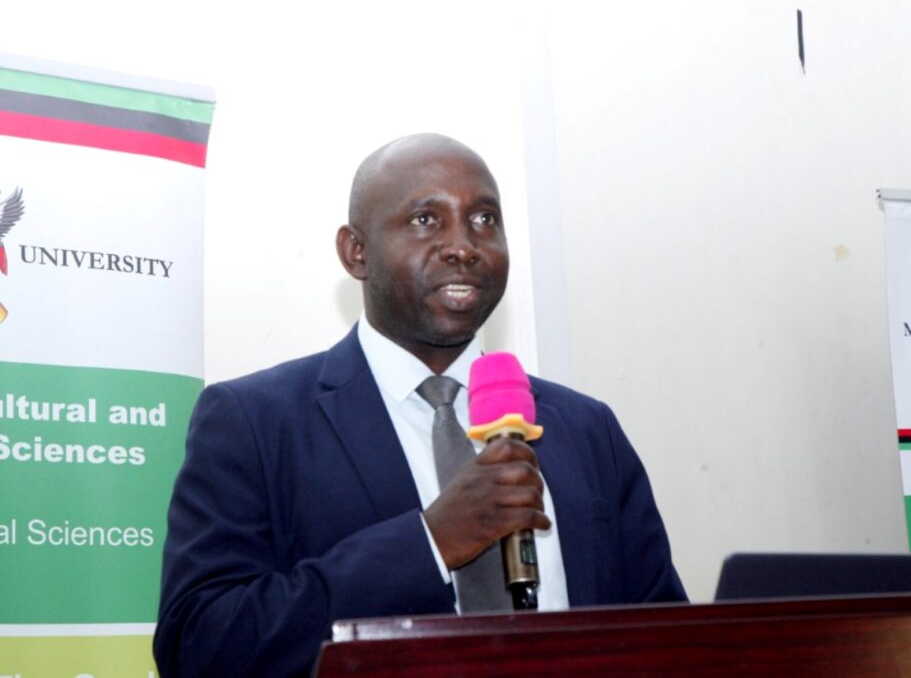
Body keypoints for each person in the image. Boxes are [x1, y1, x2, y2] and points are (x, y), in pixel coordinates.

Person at [154, 134, 685, 677]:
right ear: (355, 251)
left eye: (484, 219)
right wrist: (430, 541)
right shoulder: (254, 422)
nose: (463, 246)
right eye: (426, 221)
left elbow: (668, 642)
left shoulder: (585, 427)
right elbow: (200, 645)